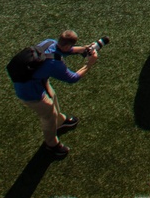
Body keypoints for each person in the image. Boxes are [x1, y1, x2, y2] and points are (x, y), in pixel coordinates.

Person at [8, 31, 98, 159]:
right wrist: (89, 64)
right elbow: (72, 78)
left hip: (37, 81)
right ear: (67, 45)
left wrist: (84, 49)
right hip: (30, 92)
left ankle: (60, 121)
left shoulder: (50, 42)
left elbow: (65, 50)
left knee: (52, 96)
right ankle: (52, 145)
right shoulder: (55, 64)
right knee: (49, 116)